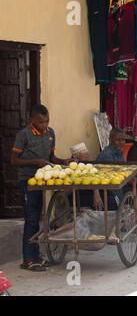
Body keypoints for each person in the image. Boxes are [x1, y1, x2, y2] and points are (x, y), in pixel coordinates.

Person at [11, 105, 72, 272]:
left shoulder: (50, 133)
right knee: (31, 219)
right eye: (40, 122)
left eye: (47, 121)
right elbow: (14, 160)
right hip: (28, 182)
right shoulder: (23, 135)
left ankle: (37, 256)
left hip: (44, 181)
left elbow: (51, 157)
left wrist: (64, 161)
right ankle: (28, 260)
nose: (44, 125)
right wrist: (35, 162)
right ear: (32, 120)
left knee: (38, 217)